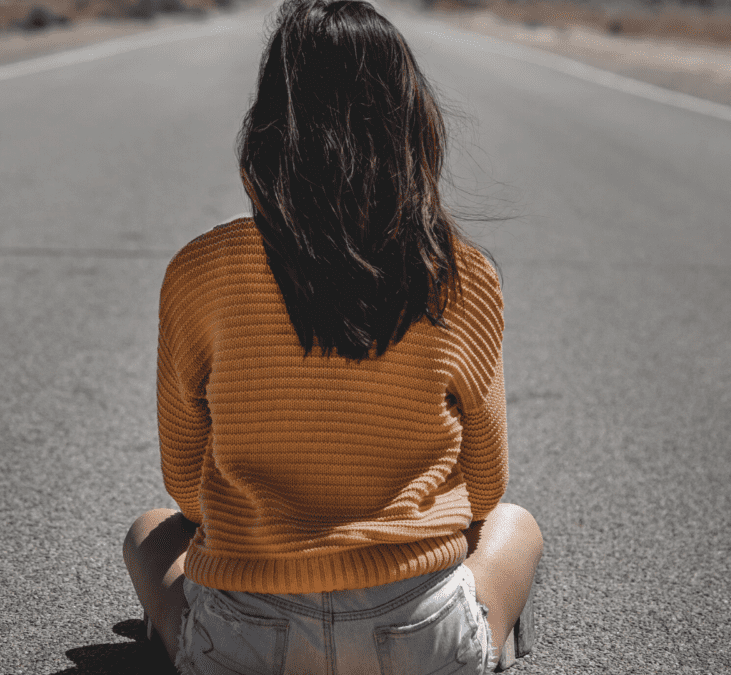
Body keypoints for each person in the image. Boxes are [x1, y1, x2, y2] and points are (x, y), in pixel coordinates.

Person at [123, 1, 543, 673]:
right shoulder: (459, 272)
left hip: (247, 640)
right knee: (517, 524)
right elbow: (486, 489)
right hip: (415, 637)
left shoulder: (201, 268)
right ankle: (483, 639)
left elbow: (187, 488)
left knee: (148, 531)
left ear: (267, 129)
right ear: (412, 126)